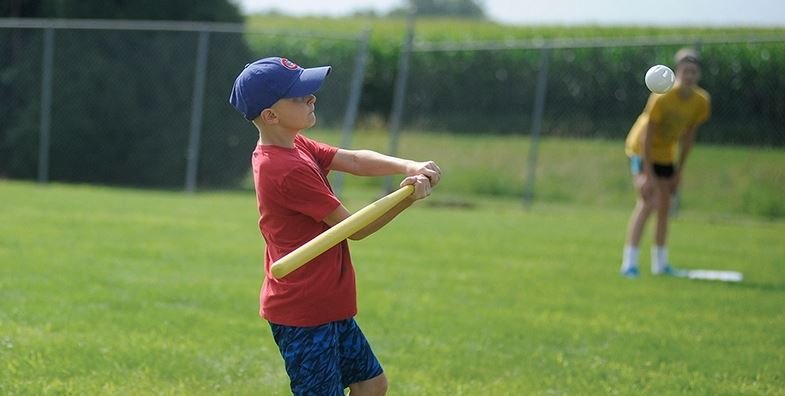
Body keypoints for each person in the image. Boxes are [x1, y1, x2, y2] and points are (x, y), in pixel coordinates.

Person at [229, 57, 441, 395]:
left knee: (371, 385)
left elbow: (353, 160)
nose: (312, 98)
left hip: (327, 302)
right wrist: (407, 198)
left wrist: (407, 165)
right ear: (271, 115)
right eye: (300, 96)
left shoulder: (295, 145)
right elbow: (352, 227)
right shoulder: (284, 168)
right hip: (304, 311)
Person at [620, 48, 711, 278]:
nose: (688, 75)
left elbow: (688, 137)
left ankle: (660, 265)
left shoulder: (700, 101)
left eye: (693, 71)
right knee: (647, 201)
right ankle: (629, 264)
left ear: (697, 74)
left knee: (664, 207)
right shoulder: (662, 97)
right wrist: (646, 174)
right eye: (684, 70)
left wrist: (679, 170)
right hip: (641, 150)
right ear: (677, 71)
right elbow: (646, 137)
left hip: (666, 153)